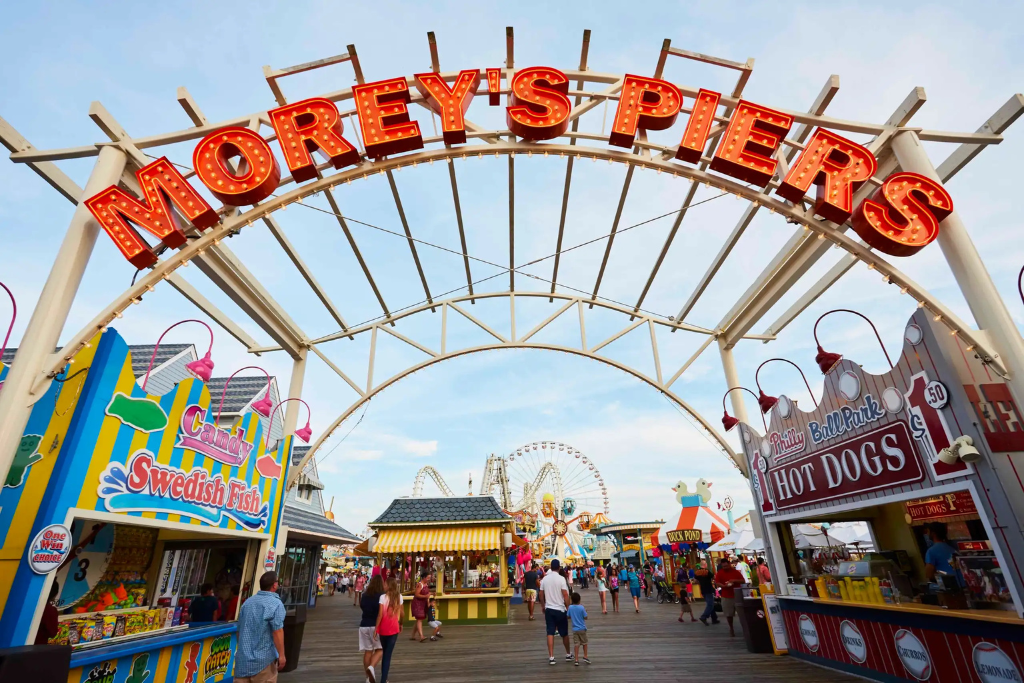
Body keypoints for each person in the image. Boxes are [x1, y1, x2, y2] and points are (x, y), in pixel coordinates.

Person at [234, 571, 286, 683]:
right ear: (274, 585)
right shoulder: (276, 604)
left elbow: (239, 631)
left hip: (242, 662)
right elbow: (277, 631)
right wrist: (281, 655)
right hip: (264, 662)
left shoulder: (247, 603)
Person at [539, 558, 572, 665]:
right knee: (564, 633)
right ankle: (568, 654)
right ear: (558, 567)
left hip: (549, 609)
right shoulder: (561, 579)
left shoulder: (545, 579)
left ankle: (551, 657)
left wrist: (543, 605)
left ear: (551, 567)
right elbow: (565, 595)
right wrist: (568, 608)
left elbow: (541, 594)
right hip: (560, 609)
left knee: (550, 632)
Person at [375, 577, 403, 683]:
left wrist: (376, 629)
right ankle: (384, 679)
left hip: (383, 628)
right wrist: (401, 623)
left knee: (384, 653)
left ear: (389, 585)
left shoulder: (382, 597)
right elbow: (402, 613)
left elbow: (380, 615)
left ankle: (384, 678)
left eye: (385, 584)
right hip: (394, 628)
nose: (384, 585)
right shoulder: (399, 597)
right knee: (388, 654)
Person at [359, 575, 384, 683]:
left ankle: (368, 678)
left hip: (364, 625)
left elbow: (361, 606)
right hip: (376, 625)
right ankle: (371, 667)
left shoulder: (365, 595)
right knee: (380, 649)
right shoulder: (382, 596)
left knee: (368, 651)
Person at [714, 557, 747, 637]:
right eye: (723, 566)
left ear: (729, 564)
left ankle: (745, 629)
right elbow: (717, 582)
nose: (725, 568)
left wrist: (734, 580)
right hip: (726, 595)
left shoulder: (735, 572)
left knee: (742, 614)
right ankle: (731, 628)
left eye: (726, 566)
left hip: (737, 595)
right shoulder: (720, 573)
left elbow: (743, 581)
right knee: (729, 614)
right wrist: (724, 586)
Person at [692, 560, 718, 626]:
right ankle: (704, 616)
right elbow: (714, 577)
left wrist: (701, 582)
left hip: (703, 590)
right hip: (709, 589)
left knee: (710, 604)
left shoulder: (697, 572)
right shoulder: (707, 571)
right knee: (710, 604)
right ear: (705, 564)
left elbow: (695, 581)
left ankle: (714, 618)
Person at [567, 592, 590, 666]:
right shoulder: (581, 607)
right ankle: (585, 656)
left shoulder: (570, 607)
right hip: (582, 628)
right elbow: (585, 617)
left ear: (572, 600)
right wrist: (585, 612)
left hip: (575, 629)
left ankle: (576, 659)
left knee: (576, 644)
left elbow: (568, 616)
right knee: (585, 643)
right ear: (579, 600)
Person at [410, 569, 430, 642]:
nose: (429, 579)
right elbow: (416, 594)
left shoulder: (426, 585)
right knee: (419, 619)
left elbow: (427, 594)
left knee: (419, 619)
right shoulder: (420, 584)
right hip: (417, 603)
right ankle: (421, 636)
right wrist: (425, 596)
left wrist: (428, 601)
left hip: (423, 603)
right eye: (428, 578)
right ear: (424, 577)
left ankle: (413, 635)